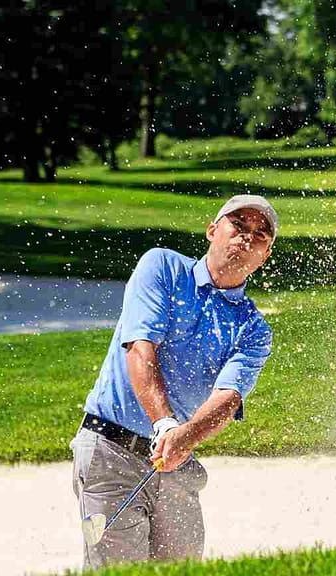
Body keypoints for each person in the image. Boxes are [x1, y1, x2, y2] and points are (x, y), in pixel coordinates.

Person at [70, 195, 278, 568]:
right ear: (213, 230)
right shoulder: (162, 267)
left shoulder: (253, 329)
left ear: (264, 256)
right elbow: (139, 348)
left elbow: (228, 398)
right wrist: (166, 424)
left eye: (260, 235)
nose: (247, 238)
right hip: (109, 450)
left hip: (176, 464)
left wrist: (185, 438)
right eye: (239, 226)